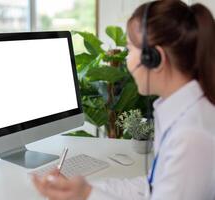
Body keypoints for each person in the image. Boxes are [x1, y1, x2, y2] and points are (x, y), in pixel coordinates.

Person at [32, 0, 215, 199]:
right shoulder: (181, 112)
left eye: (130, 49)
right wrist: (85, 190)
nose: (126, 59)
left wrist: (86, 196)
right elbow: (150, 187)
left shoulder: (190, 137)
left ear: (153, 58)